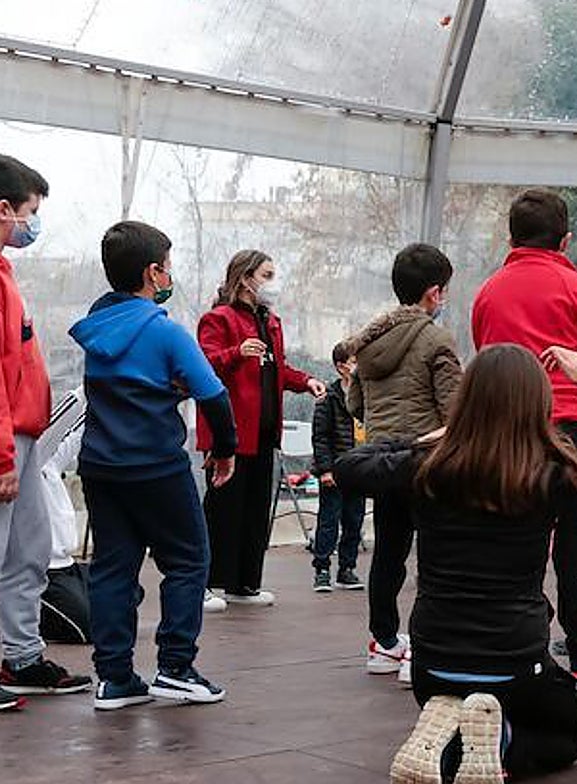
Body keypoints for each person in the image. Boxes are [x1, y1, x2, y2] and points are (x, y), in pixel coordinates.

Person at [335, 344, 577, 784]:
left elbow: (348, 466)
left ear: (466, 401)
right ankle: (499, 744)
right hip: (514, 660)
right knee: (569, 736)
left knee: (463, 691)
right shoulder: (552, 472)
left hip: (433, 663)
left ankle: (449, 733)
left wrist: (425, 439)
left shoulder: (427, 467)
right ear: (537, 404)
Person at [70, 220, 238, 709]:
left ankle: (115, 678)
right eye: (166, 267)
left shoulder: (95, 328)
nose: (170, 276)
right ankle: (176, 668)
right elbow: (213, 395)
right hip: (157, 467)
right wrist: (223, 451)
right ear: (152, 272)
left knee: (112, 569)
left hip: (101, 466)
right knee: (188, 561)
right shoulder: (165, 332)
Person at [0, 154, 91, 712]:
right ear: (3, 209)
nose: (34, 222)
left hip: (17, 439)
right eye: (31, 211)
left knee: (29, 548)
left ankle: (22, 657)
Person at [471, 188, 577, 693]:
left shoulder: (489, 291)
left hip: (505, 429)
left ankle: (516, 647)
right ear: (566, 238)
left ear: (510, 236)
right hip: (571, 428)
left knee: (510, 538)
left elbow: (487, 360)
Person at [346, 243, 462, 685]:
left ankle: (383, 642)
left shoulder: (369, 340)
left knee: (388, 552)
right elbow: (452, 409)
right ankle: (423, 648)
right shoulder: (437, 339)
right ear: (434, 293)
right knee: (434, 555)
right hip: (425, 458)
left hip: (382, 458)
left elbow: (355, 401)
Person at [197, 250, 325, 610]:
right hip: (232, 435)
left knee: (254, 511)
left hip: (263, 434)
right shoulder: (217, 319)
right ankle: (203, 584)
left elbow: (278, 369)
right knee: (222, 510)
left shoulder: (270, 321)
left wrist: (307, 381)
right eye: (266, 275)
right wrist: (236, 352)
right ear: (245, 277)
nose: (272, 282)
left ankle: (244, 584)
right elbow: (204, 366)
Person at [309, 339, 366, 593]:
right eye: (355, 362)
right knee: (329, 519)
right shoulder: (329, 399)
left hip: (359, 469)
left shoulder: (366, 396)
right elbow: (320, 437)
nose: (360, 366)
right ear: (342, 367)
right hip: (336, 469)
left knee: (354, 520)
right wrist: (325, 469)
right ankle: (322, 568)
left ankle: (347, 568)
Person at [36, 387, 90, 643]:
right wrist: (91, 383)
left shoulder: (51, 461)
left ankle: (21, 614)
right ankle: (14, 617)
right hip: (45, 572)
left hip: (69, 566)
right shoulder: (31, 456)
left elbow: (76, 432)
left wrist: (107, 396)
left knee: (129, 593)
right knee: (87, 629)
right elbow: (61, 420)